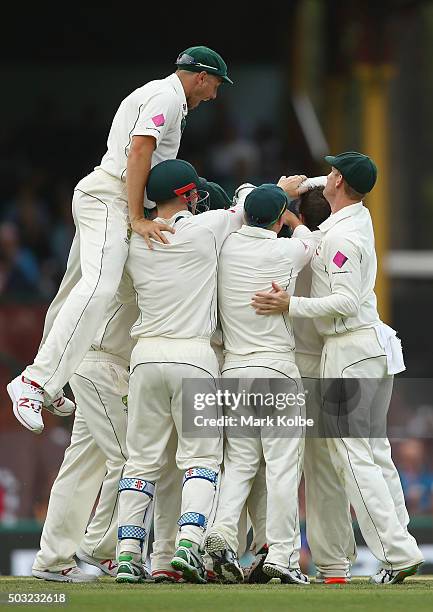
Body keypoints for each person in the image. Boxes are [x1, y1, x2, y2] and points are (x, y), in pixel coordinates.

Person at [7, 45, 232, 435]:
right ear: (200, 77)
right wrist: (135, 217)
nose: (214, 94)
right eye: (214, 85)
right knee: (99, 286)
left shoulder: (170, 100)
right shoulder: (166, 95)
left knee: (73, 289)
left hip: (107, 193)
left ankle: (52, 380)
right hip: (111, 196)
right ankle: (33, 382)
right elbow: (139, 150)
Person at [251, 151, 424, 585]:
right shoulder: (348, 220)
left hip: (350, 347)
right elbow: (321, 194)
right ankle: (398, 544)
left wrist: (291, 303)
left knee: (353, 456)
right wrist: (293, 191)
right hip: (360, 348)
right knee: (373, 457)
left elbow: (345, 301)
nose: (324, 177)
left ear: (340, 181)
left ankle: (397, 553)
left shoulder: (342, 239)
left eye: (331, 172)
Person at [204, 183, 317, 585]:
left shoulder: (224, 247)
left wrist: (267, 198)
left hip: (233, 372)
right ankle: (282, 555)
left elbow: (245, 197)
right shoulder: (285, 250)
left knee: (239, 463)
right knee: (283, 469)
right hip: (276, 371)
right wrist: (291, 219)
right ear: (277, 220)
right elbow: (311, 241)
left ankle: (220, 530)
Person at [32, 281, 141, 583]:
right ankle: (101, 545)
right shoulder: (124, 247)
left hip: (102, 364)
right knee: (134, 459)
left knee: (81, 466)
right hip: (102, 366)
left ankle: (53, 557)